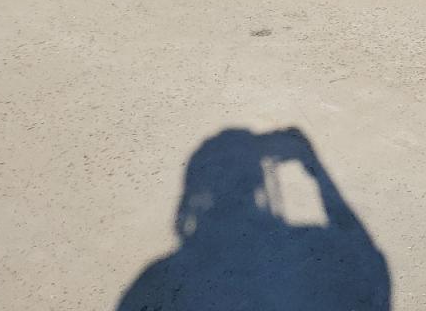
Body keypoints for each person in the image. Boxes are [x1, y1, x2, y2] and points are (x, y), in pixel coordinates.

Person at [117, 127, 390, 311]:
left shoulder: (159, 281)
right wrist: (315, 168)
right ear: (261, 188)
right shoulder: (310, 252)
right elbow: (367, 260)